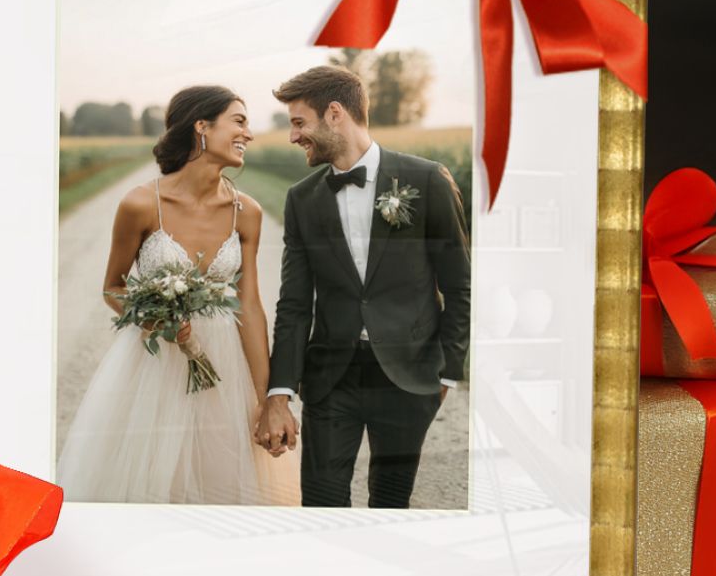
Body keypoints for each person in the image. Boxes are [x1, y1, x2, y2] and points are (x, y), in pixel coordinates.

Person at [58, 85, 300, 505]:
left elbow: (249, 307)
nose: (248, 133)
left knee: (222, 484)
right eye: (239, 121)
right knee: (150, 484)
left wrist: (264, 401)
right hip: (152, 366)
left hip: (225, 369)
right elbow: (113, 286)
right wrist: (152, 318)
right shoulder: (140, 204)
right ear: (202, 126)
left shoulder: (247, 212)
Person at [258, 65, 471, 507]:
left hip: (408, 376)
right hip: (331, 377)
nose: (293, 136)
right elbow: (294, 303)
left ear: (334, 114)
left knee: (391, 505)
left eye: (299, 123)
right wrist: (280, 392)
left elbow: (459, 284)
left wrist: (447, 370)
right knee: (321, 504)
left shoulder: (426, 180)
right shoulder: (301, 200)